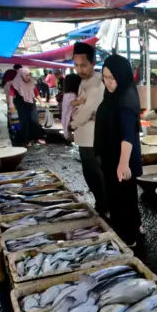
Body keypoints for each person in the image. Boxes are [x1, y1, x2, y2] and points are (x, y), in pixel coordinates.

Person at [94, 54, 142, 246]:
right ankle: (135, 226)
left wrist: (123, 163)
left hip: (121, 157)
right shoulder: (113, 96)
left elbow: (128, 135)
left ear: (122, 76)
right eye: (105, 77)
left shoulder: (126, 99)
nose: (109, 82)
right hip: (111, 155)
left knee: (120, 197)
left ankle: (127, 237)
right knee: (127, 194)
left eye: (112, 78)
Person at [69, 42, 108, 216]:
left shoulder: (97, 82)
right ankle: (102, 204)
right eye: (76, 65)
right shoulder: (84, 81)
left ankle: (105, 206)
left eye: (83, 65)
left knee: (95, 174)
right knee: (90, 172)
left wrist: (72, 122)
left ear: (93, 63)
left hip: (93, 136)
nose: (79, 69)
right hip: (85, 136)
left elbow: (85, 112)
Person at [10, 68, 46, 146]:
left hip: (31, 104)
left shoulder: (31, 83)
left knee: (34, 120)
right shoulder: (15, 84)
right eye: (26, 75)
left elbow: (36, 93)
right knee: (24, 122)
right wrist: (11, 104)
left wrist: (42, 102)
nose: (28, 77)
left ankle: (38, 137)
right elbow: (11, 94)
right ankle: (27, 140)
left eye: (30, 75)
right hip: (21, 105)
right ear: (21, 75)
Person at [60, 73, 81, 141]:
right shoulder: (71, 94)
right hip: (69, 117)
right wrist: (81, 101)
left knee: (68, 131)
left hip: (66, 116)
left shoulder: (66, 93)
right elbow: (71, 103)